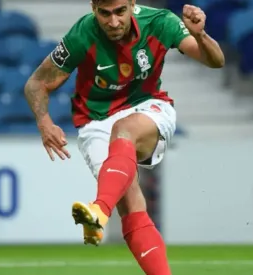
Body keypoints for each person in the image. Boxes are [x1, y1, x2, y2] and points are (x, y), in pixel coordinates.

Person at [23, 1, 224, 274]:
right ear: (94, 8)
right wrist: (44, 121)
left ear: (132, 4)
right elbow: (36, 83)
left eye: (120, 11)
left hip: (148, 106)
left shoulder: (160, 22)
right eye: (105, 13)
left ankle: (98, 210)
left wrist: (200, 34)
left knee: (124, 130)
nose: (114, 22)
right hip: (95, 121)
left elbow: (215, 61)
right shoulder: (82, 35)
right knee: (131, 204)